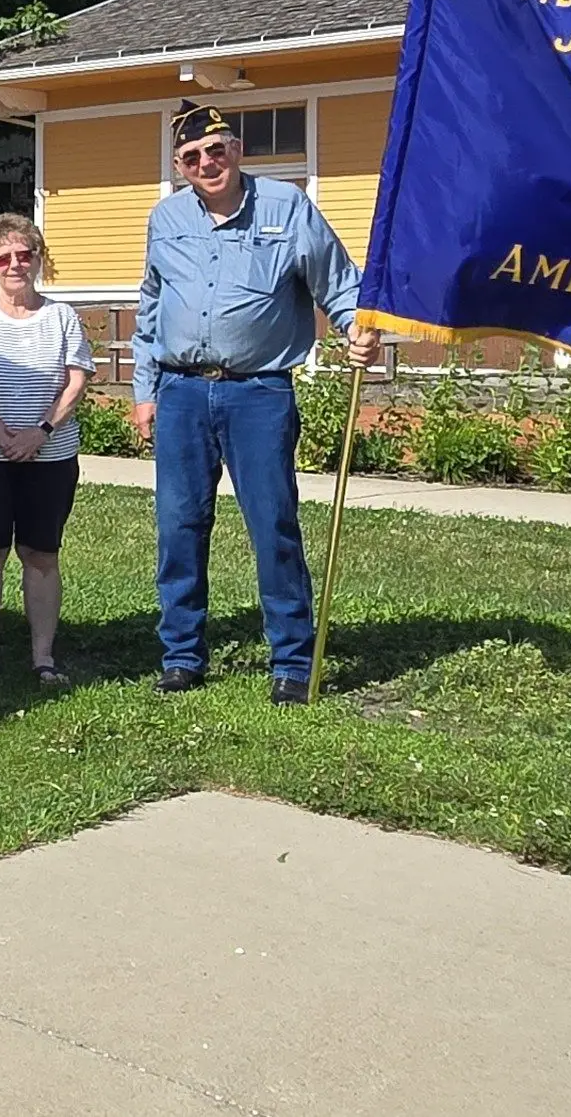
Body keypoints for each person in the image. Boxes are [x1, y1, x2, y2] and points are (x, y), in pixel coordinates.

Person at [129, 103, 383, 704]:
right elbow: (149, 308)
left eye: (216, 150)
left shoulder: (286, 206)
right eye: (193, 157)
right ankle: (182, 654)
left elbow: (338, 283)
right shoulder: (165, 219)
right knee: (179, 527)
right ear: (179, 166)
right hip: (181, 391)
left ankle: (292, 660)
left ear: (237, 150)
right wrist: (144, 391)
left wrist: (356, 328)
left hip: (259, 394)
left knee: (272, 526)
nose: (207, 163)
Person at [0, 214, 93, 688]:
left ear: (38, 260)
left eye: (24, 255)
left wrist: (40, 432)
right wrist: (2, 436)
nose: (15, 265)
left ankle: (43, 658)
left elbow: (77, 380)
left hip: (49, 457)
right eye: (4, 257)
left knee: (41, 553)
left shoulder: (62, 317)